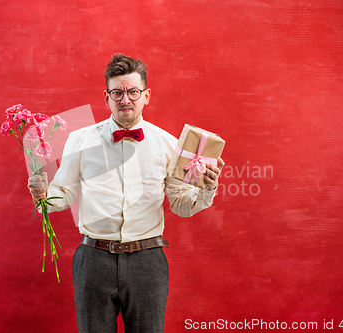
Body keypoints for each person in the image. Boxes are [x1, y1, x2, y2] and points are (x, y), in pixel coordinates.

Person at [28, 53, 224, 333]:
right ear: (106, 96)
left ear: (146, 96)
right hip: (93, 260)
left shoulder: (168, 144)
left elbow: (180, 204)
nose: (125, 99)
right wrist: (43, 196)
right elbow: (65, 193)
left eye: (133, 91)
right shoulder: (79, 140)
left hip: (148, 260)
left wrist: (207, 188)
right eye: (117, 92)